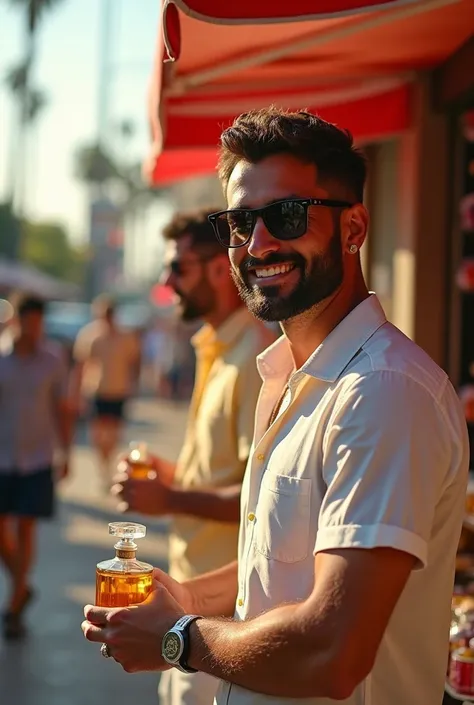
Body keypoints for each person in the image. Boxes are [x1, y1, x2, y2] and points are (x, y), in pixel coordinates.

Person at [82, 109, 469, 705]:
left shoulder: (383, 391)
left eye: (286, 217)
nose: (258, 244)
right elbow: (290, 569)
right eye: (239, 223)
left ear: (354, 228)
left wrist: (178, 638)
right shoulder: (292, 376)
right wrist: (185, 599)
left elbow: (334, 649)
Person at [112, 208, 274, 705]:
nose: (167, 281)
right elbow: (221, 473)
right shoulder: (216, 345)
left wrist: (169, 497)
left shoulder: (254, 354)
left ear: (217, 266)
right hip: (192, 607)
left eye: (177, 268)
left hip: (224, 621)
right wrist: (172, 480)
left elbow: (259, 498)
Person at [0, 296, 72, 639]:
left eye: (38, 322)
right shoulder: (1, 357)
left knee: (26, 527)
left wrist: (66, 451)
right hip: (2, 456)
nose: (32, 328)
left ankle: (14, 606)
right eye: (27, 321)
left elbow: (62, 408)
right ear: (16, 320)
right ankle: (21, 583)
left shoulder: (53, 359)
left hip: (37, 457)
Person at [71, 295, 141, 487]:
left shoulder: (125, 337)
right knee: (98, 433)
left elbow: (134, 361)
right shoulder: (90, 336)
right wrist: (77, 394)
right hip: (96, 390)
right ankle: (104, 466)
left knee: (113, 433)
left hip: (118, 390)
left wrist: (134, 383)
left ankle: (108, 462)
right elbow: (81, 366)